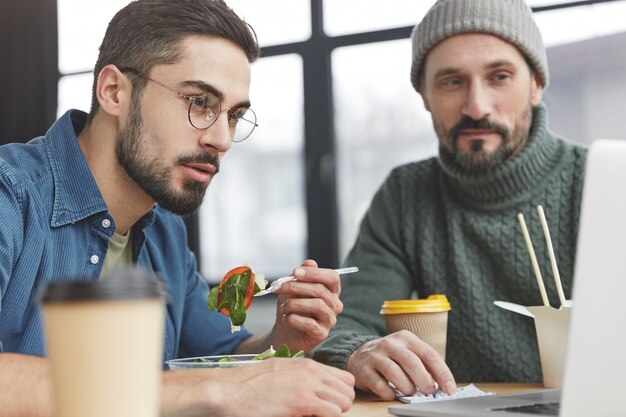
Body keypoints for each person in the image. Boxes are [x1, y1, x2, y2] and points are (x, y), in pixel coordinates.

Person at [0, 0, 354, 416]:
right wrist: (212, 392)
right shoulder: (11, 195)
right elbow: (215, 387)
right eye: (200, 102)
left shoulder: (164, 230)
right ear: (114, 91)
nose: (221, 139)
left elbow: (218, 354)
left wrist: (281, 340)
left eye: (234, 115)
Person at [311, 0, 587, 401]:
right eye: (452, 82)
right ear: (423, 94)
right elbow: (345, 322)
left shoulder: (598, 180)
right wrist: (359, 351)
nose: (476, 107)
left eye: (500, 77)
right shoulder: (405, 196)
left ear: (537, 85)